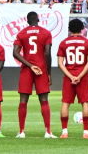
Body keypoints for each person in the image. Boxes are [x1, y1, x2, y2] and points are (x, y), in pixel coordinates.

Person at [12, 10, 54, 138]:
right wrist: (49, 73)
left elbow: (15, 53)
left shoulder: (22, 33)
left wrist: (30, 65)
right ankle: (48, 132)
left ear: (27, 21)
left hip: (27, 69)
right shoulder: (46, 33)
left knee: (23, 100)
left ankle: (21, 131)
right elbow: (47, 53)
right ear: (38, 20)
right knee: (44, 100)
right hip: (41, 69)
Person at [54, 18, 88, 140]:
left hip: (68, 76)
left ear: (69, 29)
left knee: (65, 103)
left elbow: (60, 63)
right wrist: (80, 76)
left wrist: (71, 76)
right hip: (83, 77)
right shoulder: (87, 43)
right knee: (85, 103)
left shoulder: (64, 43)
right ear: (82, 29)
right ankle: (86, 132)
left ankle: (64, 132)